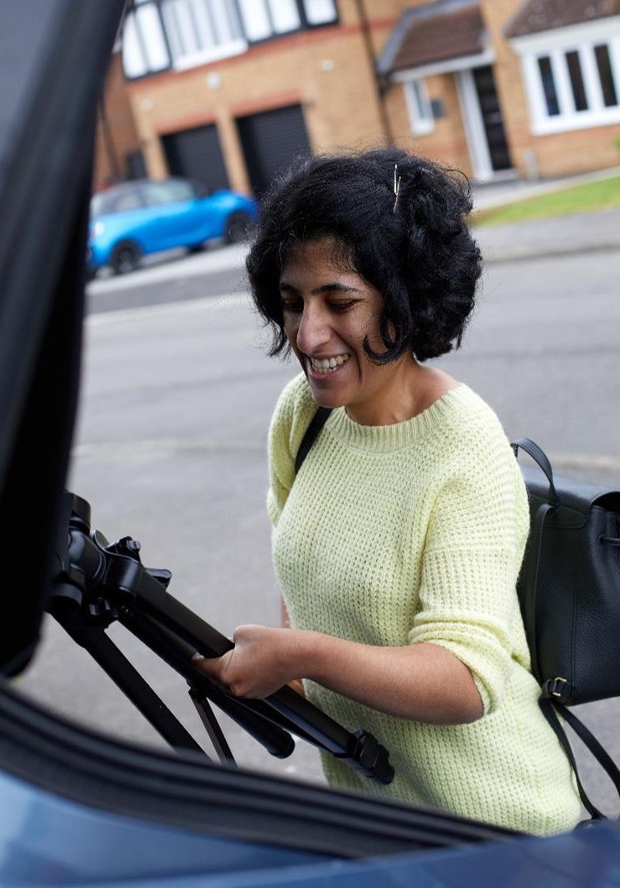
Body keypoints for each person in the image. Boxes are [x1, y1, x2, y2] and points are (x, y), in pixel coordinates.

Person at [195, 147, 582, 835]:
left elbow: (464, 681)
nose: (308, 334)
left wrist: (305, 657)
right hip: (379, 825)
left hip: (497, 835)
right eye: (291, 303)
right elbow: (305, 578)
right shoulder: (303, 414)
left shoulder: (463, 450)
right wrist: (274, 667)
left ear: (404, 299)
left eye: (338, 301)